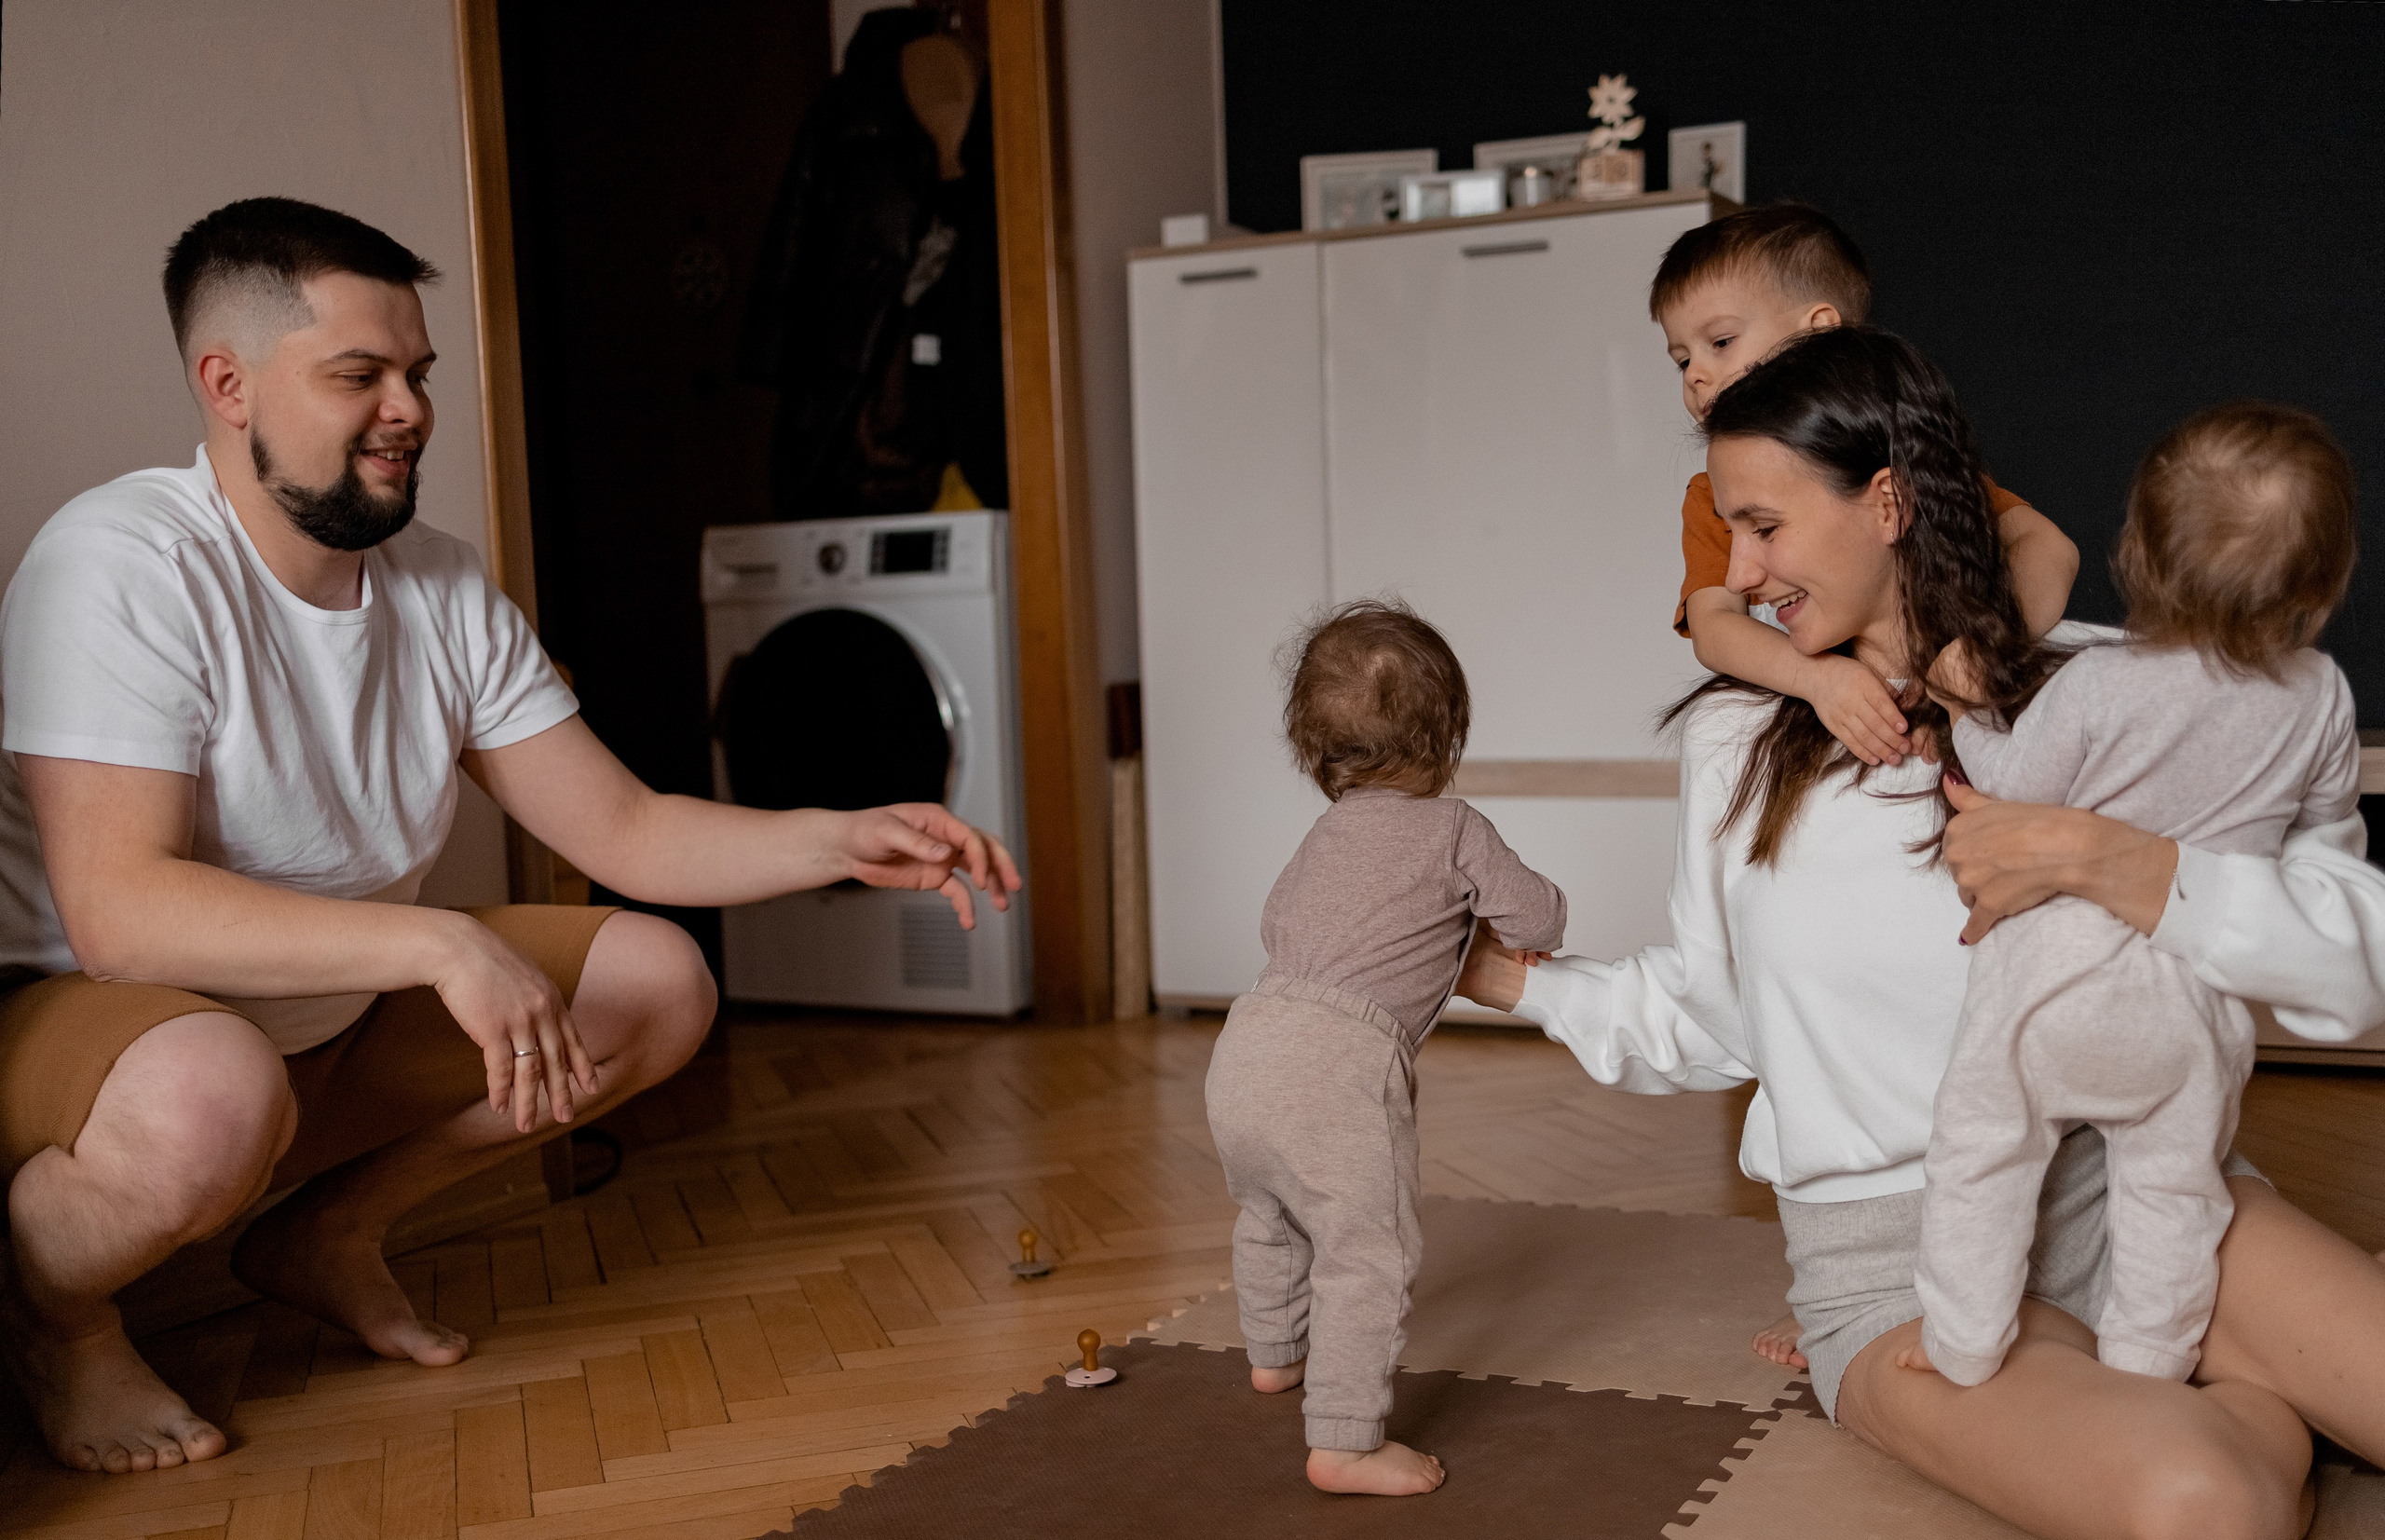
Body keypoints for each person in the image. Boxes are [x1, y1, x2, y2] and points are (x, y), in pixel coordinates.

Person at [0, 197, 1019, 1478]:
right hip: (110, 1032)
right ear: (229, 385)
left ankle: (325, 1232)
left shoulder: (439, 581)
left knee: (658, 981)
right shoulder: (120, 562)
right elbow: (119, 907)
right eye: (359, 375)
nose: (411, 409)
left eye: (416, 374)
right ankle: (54, 1319)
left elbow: (629, 827)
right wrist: (437, 943)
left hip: (328, 1022)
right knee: (214, 1091)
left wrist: (838, 837)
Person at [1456, 326, 2385, 1540]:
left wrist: (2123, 866)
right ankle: (2254, 1428)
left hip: (2143, 1189)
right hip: (1894, 1260)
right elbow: (1708, 1013)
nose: (1736, 571)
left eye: (1764, 524)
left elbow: (2357, 955)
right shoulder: (1737, 743)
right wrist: (1510, 980)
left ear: (1886, 500)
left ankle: (2211, 1396)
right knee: (2203, 1504)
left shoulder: (2109, 692)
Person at [1908, 402, 2360, 1388]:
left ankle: (1960, 1344)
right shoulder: (2321, 694)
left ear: (2137, 556)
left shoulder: (2097, 685)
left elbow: (2015, 787)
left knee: (1982, 1158)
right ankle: (2149, 1360)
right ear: (2322, 582)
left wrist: (1964, 705)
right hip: (2190, 1002)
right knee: (2172, 1190)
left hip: (2046, 987)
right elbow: (2326, 824)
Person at [1205, 600, 1564, 1497]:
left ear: (1315, 752)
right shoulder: (1453, 829)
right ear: (1447, 739)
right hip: (1342, 1063)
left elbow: (1276, 920)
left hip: (1247, 1040)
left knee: (1271, 1211)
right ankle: (1345, 1440)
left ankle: (1275, 1356)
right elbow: (1541, 914)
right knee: (1367, 1249)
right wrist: (1495, 921)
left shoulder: (1322, 833)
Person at [1655, 202, 2078, 768]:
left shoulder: (1920, 461)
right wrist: (1820, 679)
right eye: (1681, 359)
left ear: (1821, 333)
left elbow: (2049, 547)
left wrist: (1985, 650)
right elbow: (1715, 630)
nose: (1696, 375)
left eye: (1722, 342)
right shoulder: (1710, 495)